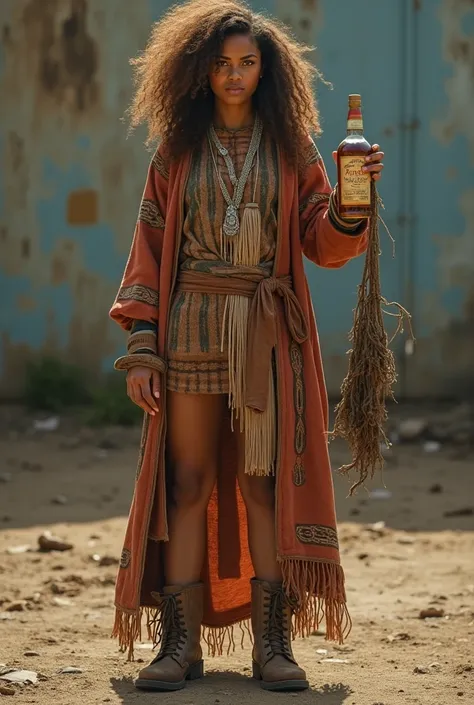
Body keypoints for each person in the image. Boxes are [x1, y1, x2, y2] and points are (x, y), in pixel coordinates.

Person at [109, 0, 384, 693]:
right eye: (223, 64)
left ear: (267, 70)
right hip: (191, 326)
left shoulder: (294, 148)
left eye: (248, 63)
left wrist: (351, 207)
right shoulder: (174, 150)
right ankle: (179, 645)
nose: (235, 76)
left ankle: (273, 645)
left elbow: (322, 238)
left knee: (263, 486)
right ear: (200, 70)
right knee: (188, 482)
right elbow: (146, 247)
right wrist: (143, 343)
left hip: (265, 334)